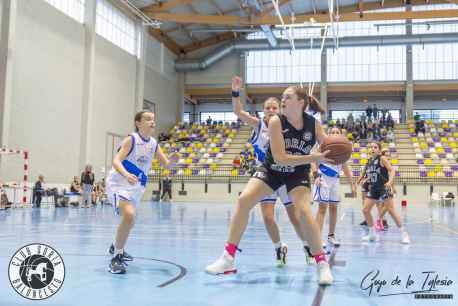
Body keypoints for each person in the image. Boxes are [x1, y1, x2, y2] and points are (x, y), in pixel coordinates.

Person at [205, 85, 334, 285]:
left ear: (300, 102)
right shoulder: (275, 121)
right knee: (244, 200)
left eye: (287, 97)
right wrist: (313, 157)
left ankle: (321, 263)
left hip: (297, 173)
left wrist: (335, 152)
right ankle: (228, 258)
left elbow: (328, 147)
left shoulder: (314, 124)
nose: (283, 100)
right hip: (273, 169)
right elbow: (281, 158)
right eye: (282, 97)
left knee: (303, 211)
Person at [230, 76, 309, 266]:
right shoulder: (259, 125)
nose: (271, 110)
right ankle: (278, 248)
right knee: (267, 217)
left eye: (275, 107)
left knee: (295, 218)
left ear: (280, 109)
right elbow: (238, 111)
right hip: (267, 176)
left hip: (286, 175)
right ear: (263, 111)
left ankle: (308, 247)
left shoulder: (287, 124)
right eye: (268, 108)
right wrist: (235, 91)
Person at [106, 111, 178, 274]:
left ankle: (115, 246)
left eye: (153, 119)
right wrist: (125, 174)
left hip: (137, 186)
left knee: (129, 221)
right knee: (129, 216)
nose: (152, 122)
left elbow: (166, 165)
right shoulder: (131, 140)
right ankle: (116, 258)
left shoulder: (153, 143)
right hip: (119, 182)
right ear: (138, 123)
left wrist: (173, 161)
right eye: (147, 119)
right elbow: (116, 160)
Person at [312, 127, 356, 248]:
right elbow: (313, 161)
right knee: (322, 209)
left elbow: (345, 167)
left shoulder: (343, 149)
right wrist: (315, 176)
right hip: (323, 178)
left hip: (335, 180)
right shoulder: (322, 145)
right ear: (328, 134)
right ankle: (317, 239)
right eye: (332, 132)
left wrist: (352, 184)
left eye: (337, 132)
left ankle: (331, 236)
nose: (335, 134)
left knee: (334, 208)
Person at [361, 142, 410, 244]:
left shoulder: (382, 158)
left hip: (384, 187)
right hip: (374, 188)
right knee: (365, 210)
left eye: (375, 147)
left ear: (379, 150)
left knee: (391, 210)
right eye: (371, 147)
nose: (373, 149)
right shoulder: (370, 161)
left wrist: (390, 182)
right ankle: (372, 234)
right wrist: (366, 179)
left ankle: (404, 234)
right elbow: (373, 174)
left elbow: (392, 171)